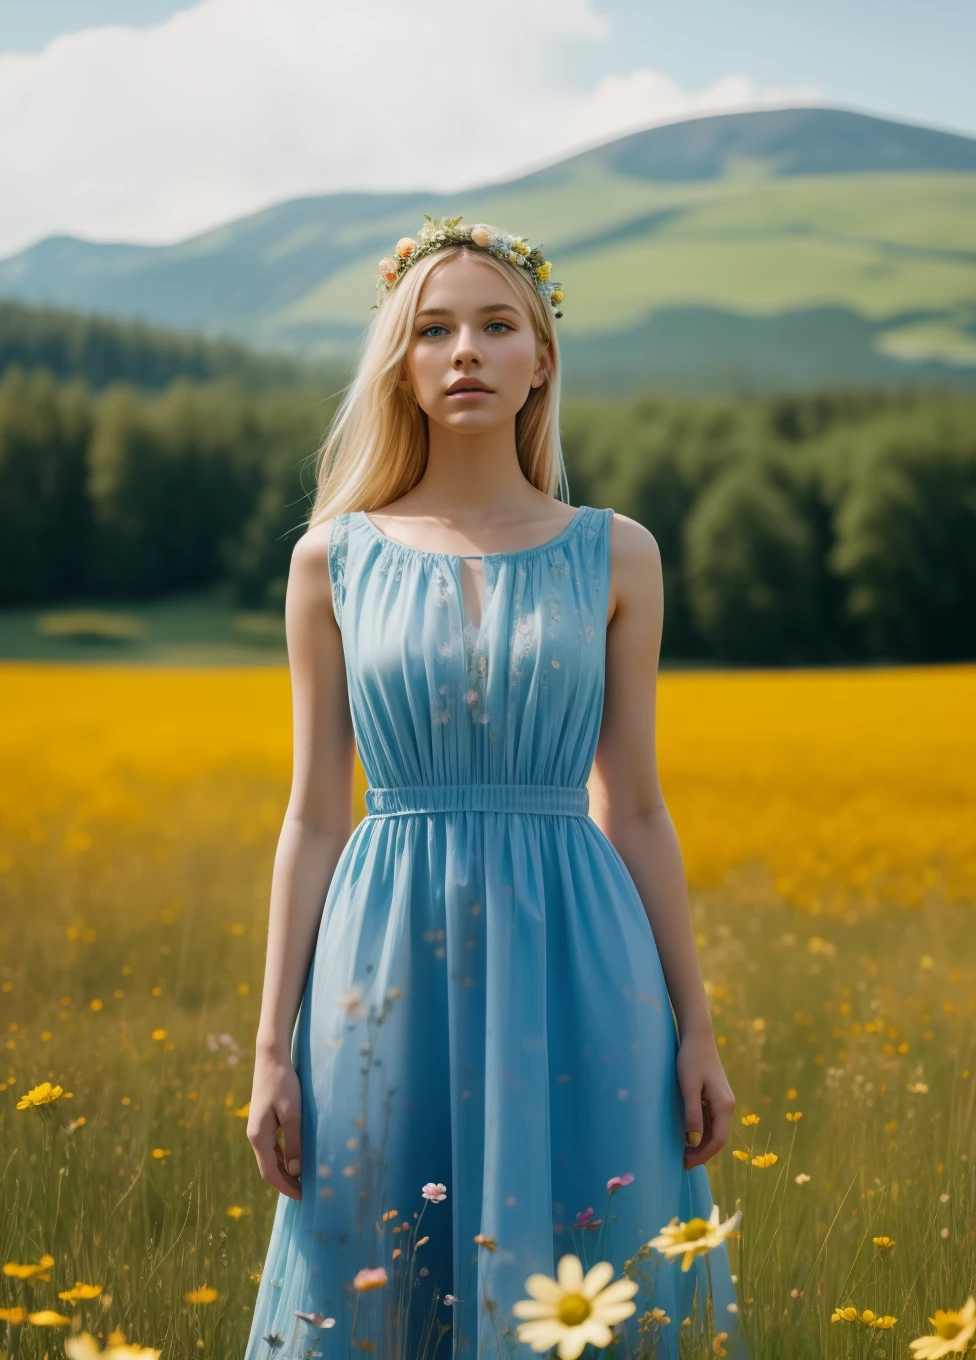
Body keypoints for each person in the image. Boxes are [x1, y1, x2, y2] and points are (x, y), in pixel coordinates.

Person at [243, 217, 750, 1360]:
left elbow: (637, 805)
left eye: (494, 324)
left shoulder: (619, 553)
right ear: (403, 365)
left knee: (591, 1264)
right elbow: (316, 811)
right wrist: (272, 1047)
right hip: (379, 964)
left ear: (540, 362)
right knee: (371, 1272)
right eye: (433, 329)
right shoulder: (330, 558)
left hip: (583, 954)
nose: (463, 348)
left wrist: (697, 1027)